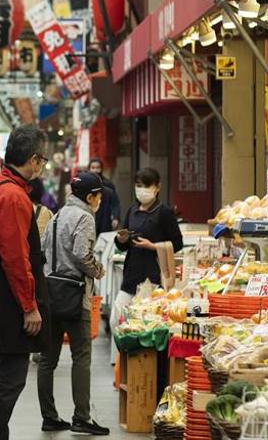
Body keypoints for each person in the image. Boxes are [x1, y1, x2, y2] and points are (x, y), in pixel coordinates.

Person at [0, 125, 48, 440]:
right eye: (42, 159)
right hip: (8, 292)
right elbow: (16, 258)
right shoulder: (12, 195)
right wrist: (29, 305)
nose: (42, 165)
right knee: (10, 372)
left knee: (0, 364)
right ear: (33, 160)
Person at [37, 173, 109, 435]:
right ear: (90, 197)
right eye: (99, 196)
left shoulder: (56, 216)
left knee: (48, 359)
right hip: (75, 296)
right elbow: (82, 254)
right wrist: (98, 270)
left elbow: (43, 249)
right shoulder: (85, 217)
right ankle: (82, 417)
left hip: (50, 292)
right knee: (81, 357)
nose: (100, 200)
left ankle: (49, 416)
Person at [111, 168, 184, 359]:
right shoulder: (132, 210)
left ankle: (146, 363)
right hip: (131, 273)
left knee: (148, 324)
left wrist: (153, 246)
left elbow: (177, 243)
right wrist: (122, 239)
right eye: (138, 186)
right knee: (117, 319)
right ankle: (124, 362)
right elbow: (122, 246)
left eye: (146, 186)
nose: (141, 190)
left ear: (157, 187)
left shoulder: (164, 212)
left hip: (153, 278)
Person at [88, 158, 121, 233]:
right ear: (89, 169)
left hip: (105, 218)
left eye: (98, 168)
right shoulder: (86, 185)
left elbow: (115, 203)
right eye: (93, 168)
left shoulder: (108, 185)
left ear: (102, 169)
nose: (95, 170)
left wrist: (115, 217)